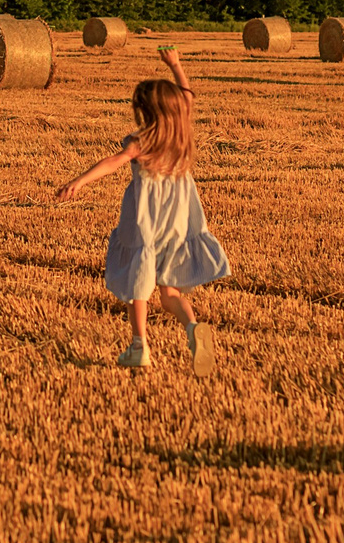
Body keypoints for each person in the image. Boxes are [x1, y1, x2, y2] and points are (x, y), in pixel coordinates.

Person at [53, 45, 231, 371]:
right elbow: (188, 97)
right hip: (178, 220)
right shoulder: (181, 135)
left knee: (139, 287)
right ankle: (192, 329)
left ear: (146, 111)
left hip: (148, 221)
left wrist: (79, 181)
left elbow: (113, 162)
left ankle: (139, 347)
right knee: (170, 292)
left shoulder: (142, 141)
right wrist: (176, 65)